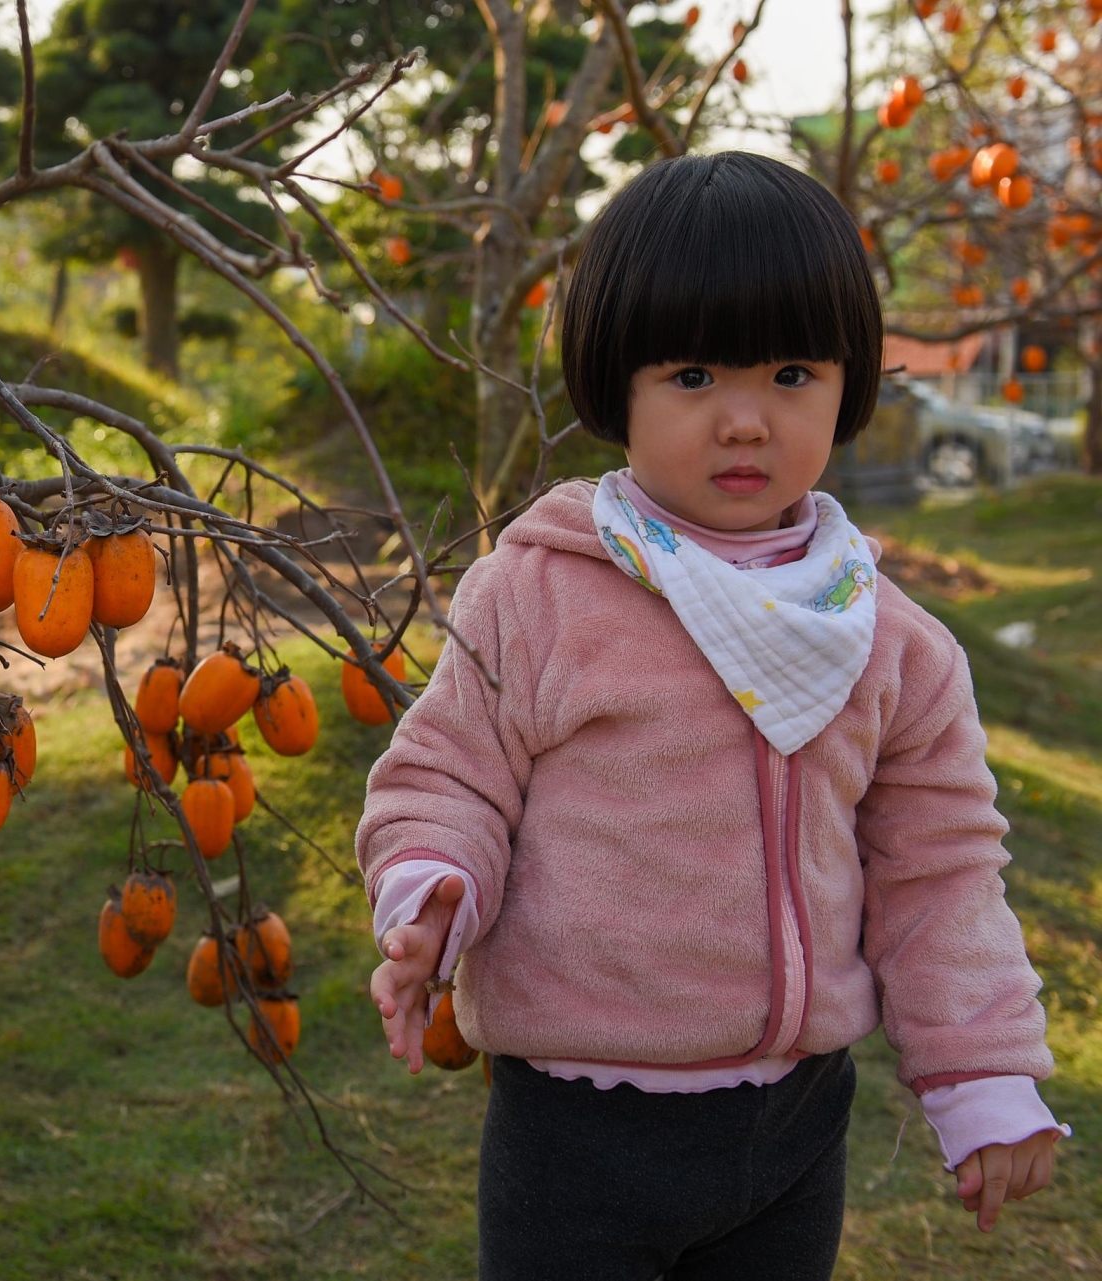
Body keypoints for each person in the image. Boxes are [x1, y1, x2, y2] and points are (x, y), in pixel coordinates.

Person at [358, 152, 1067, 1279]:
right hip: (575, 1134)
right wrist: (434, 882)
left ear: (850, 383)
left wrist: (982, 1072)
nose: (746, 421)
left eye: (792, 373)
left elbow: (939, 871)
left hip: (791, 1132)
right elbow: (448, 775)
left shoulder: (886, 640)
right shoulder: (541, 596)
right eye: (693, 376)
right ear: (616, 385)